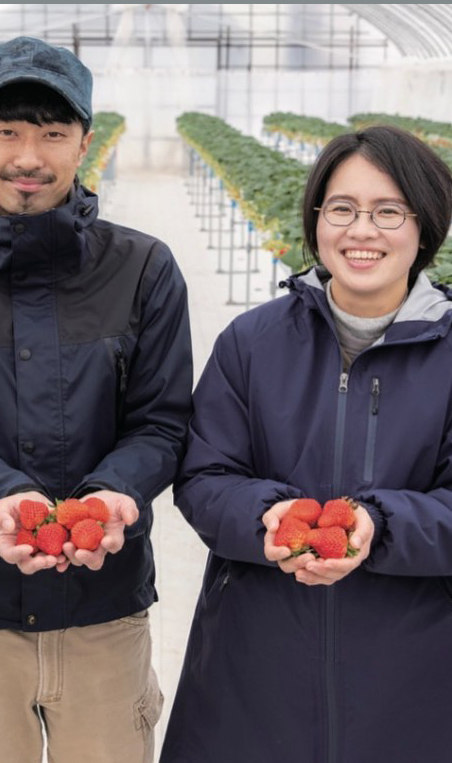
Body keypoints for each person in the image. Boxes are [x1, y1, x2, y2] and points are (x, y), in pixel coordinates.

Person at [160, 125, 452, 763]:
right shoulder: (252, 342)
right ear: (317, 219)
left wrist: (378, 525)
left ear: (425, 226)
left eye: (388, 211)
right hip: (255, 667)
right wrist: (265, 516)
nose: (361, 231)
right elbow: (205, 474)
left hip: (416, 677)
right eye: (341, 208)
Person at [0, 36, 192, 763]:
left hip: (104, 616)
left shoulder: (144, 267)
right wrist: (0, 499)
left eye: (53, 133)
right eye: (8, 131)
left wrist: (115, 494)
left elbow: (162, 420)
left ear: (86, 141)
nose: (29, 156)